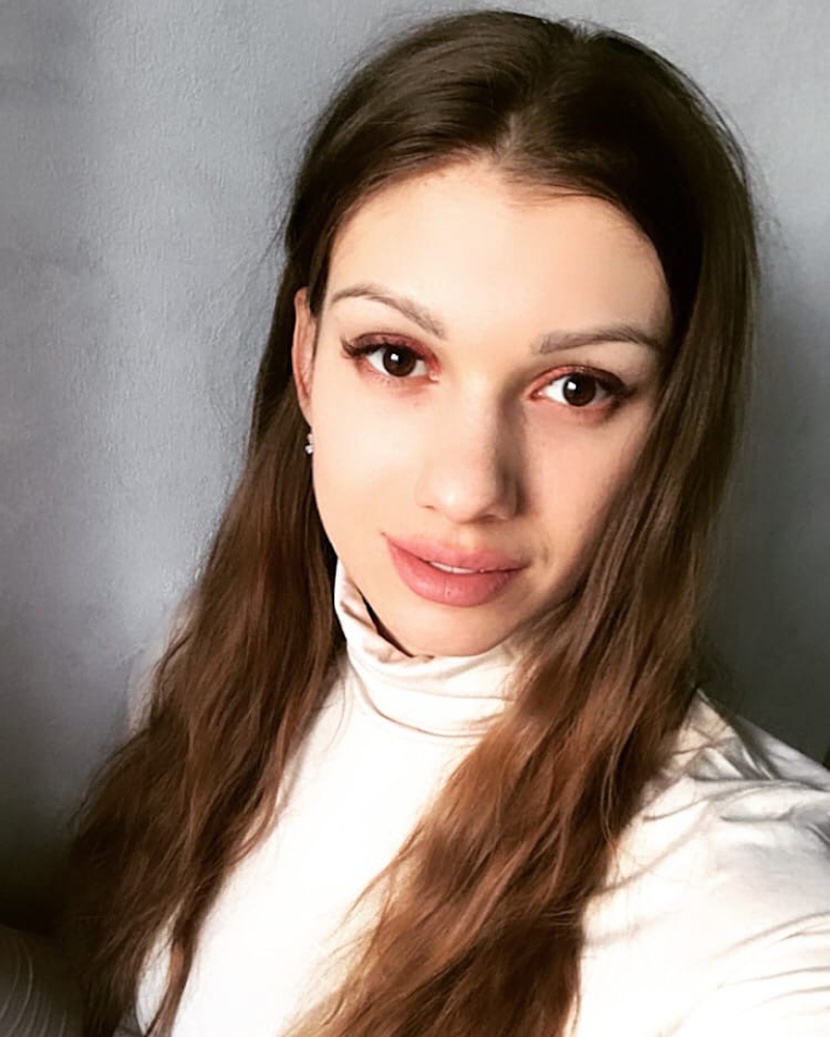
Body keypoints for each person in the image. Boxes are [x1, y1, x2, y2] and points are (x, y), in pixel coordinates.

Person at [61, 8, 830, 1037]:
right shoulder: (214, 662)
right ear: (306, 359)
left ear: (671, 426)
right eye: (396, 356)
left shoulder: (758, 926)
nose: (469, 488)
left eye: (577, 387)